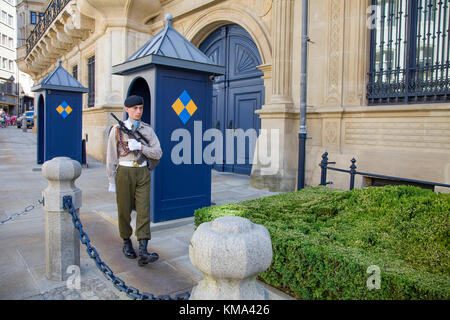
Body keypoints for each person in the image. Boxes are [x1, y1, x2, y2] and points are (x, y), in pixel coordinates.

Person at [106, 95, 162, 266]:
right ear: (127, 109)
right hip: (124, 172)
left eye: (141, 108)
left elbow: (158, 152)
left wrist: (142, 147)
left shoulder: (147, 130)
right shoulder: (117, 130)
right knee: (124, 210)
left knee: (144, 211)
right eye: (135, 108)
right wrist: (111, 180)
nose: (138, 111)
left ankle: (143, 249)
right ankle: (126, 241)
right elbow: (111, 156)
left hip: (142, 172)